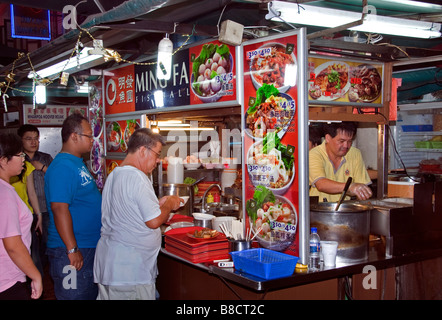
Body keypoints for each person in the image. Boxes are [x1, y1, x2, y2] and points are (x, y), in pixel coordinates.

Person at [94, 128, 182, 300]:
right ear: (143, 150)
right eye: (156, 154)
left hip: (112, 266)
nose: (157, 161)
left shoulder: (115, 174)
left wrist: (157, 205)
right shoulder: (137, 177)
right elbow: (154, 221)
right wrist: (170, 203)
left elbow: (128, 212)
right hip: (128, 272)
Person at [45, 113, 102, 300]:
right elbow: (59, 208)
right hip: (70, 251)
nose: (92, 140)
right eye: (88, 135)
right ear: (74, 136)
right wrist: (72, 249)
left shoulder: (78, 163)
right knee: (75, 296)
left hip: (87, 246)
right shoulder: (62, 166)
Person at [0, 133, 42, 300]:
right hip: (7, 279)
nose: (23, 158)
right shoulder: (5, 193)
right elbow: (13, 245)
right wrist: (35, 275)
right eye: (19, 155)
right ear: (3, 160)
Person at [18, 124, 53, 272]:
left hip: (46, 207)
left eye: (36, 139)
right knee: (30, 245)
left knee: (48, 242)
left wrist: (43, 168)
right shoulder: (17, 160)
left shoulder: (45, 158)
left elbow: (57, 178)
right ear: (21, 140)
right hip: (26, 210)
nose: (33, 142)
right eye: (29, 139)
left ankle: (46, 272)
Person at [309, 121, 372, 203]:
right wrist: (350, 187)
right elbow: (321, 184)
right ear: (328, 138)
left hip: (345, 209)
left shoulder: (355, 154)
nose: (346, 146)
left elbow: (362, 185)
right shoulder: (314, 154)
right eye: (341, 141)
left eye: (349, 141)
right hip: (317, 209)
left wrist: (363, 192)